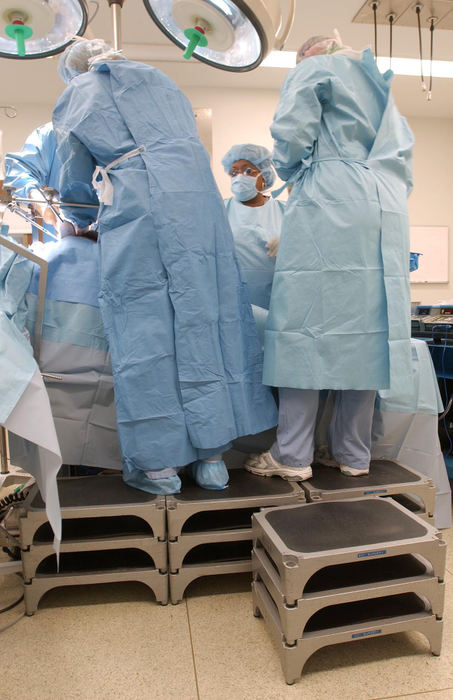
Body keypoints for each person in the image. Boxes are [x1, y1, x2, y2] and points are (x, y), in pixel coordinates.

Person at [52, 39, 277, 495]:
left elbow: (75, 177)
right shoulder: (163, 80)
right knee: (206, 322)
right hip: (197, 205)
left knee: (145, 329)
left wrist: (77, 221)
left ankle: (158, 466)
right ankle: (212, 459)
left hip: (140, 205)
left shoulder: (78, 92)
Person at [246, 35, 414, 481]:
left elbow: (290, 134)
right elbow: (404, 161)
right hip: (384, 205)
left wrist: (296, 171)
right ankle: (354, 456)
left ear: (306, 55)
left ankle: (293, 454)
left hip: (330, 194)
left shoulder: (314, 68)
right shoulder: (379, 87)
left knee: (303, 328)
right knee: (366, 333)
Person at [9, 220, 122, 472]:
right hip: (102, 386)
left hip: (48, 382)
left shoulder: (41, 259)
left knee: (54, 457)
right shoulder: (115, 264)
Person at [222, 144, 285, 311]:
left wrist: (292, 241)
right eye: (234, 172)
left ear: (264, 176)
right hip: (231, 302)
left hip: (276, 302)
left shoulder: (285, 211)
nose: (239, 177)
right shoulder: (220, 210)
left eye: (248, 171)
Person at [4, 123, 61, 242]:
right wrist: (42, 204)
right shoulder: (54, 134)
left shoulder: (109, 139)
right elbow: (20, 172)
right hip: (57, 246)